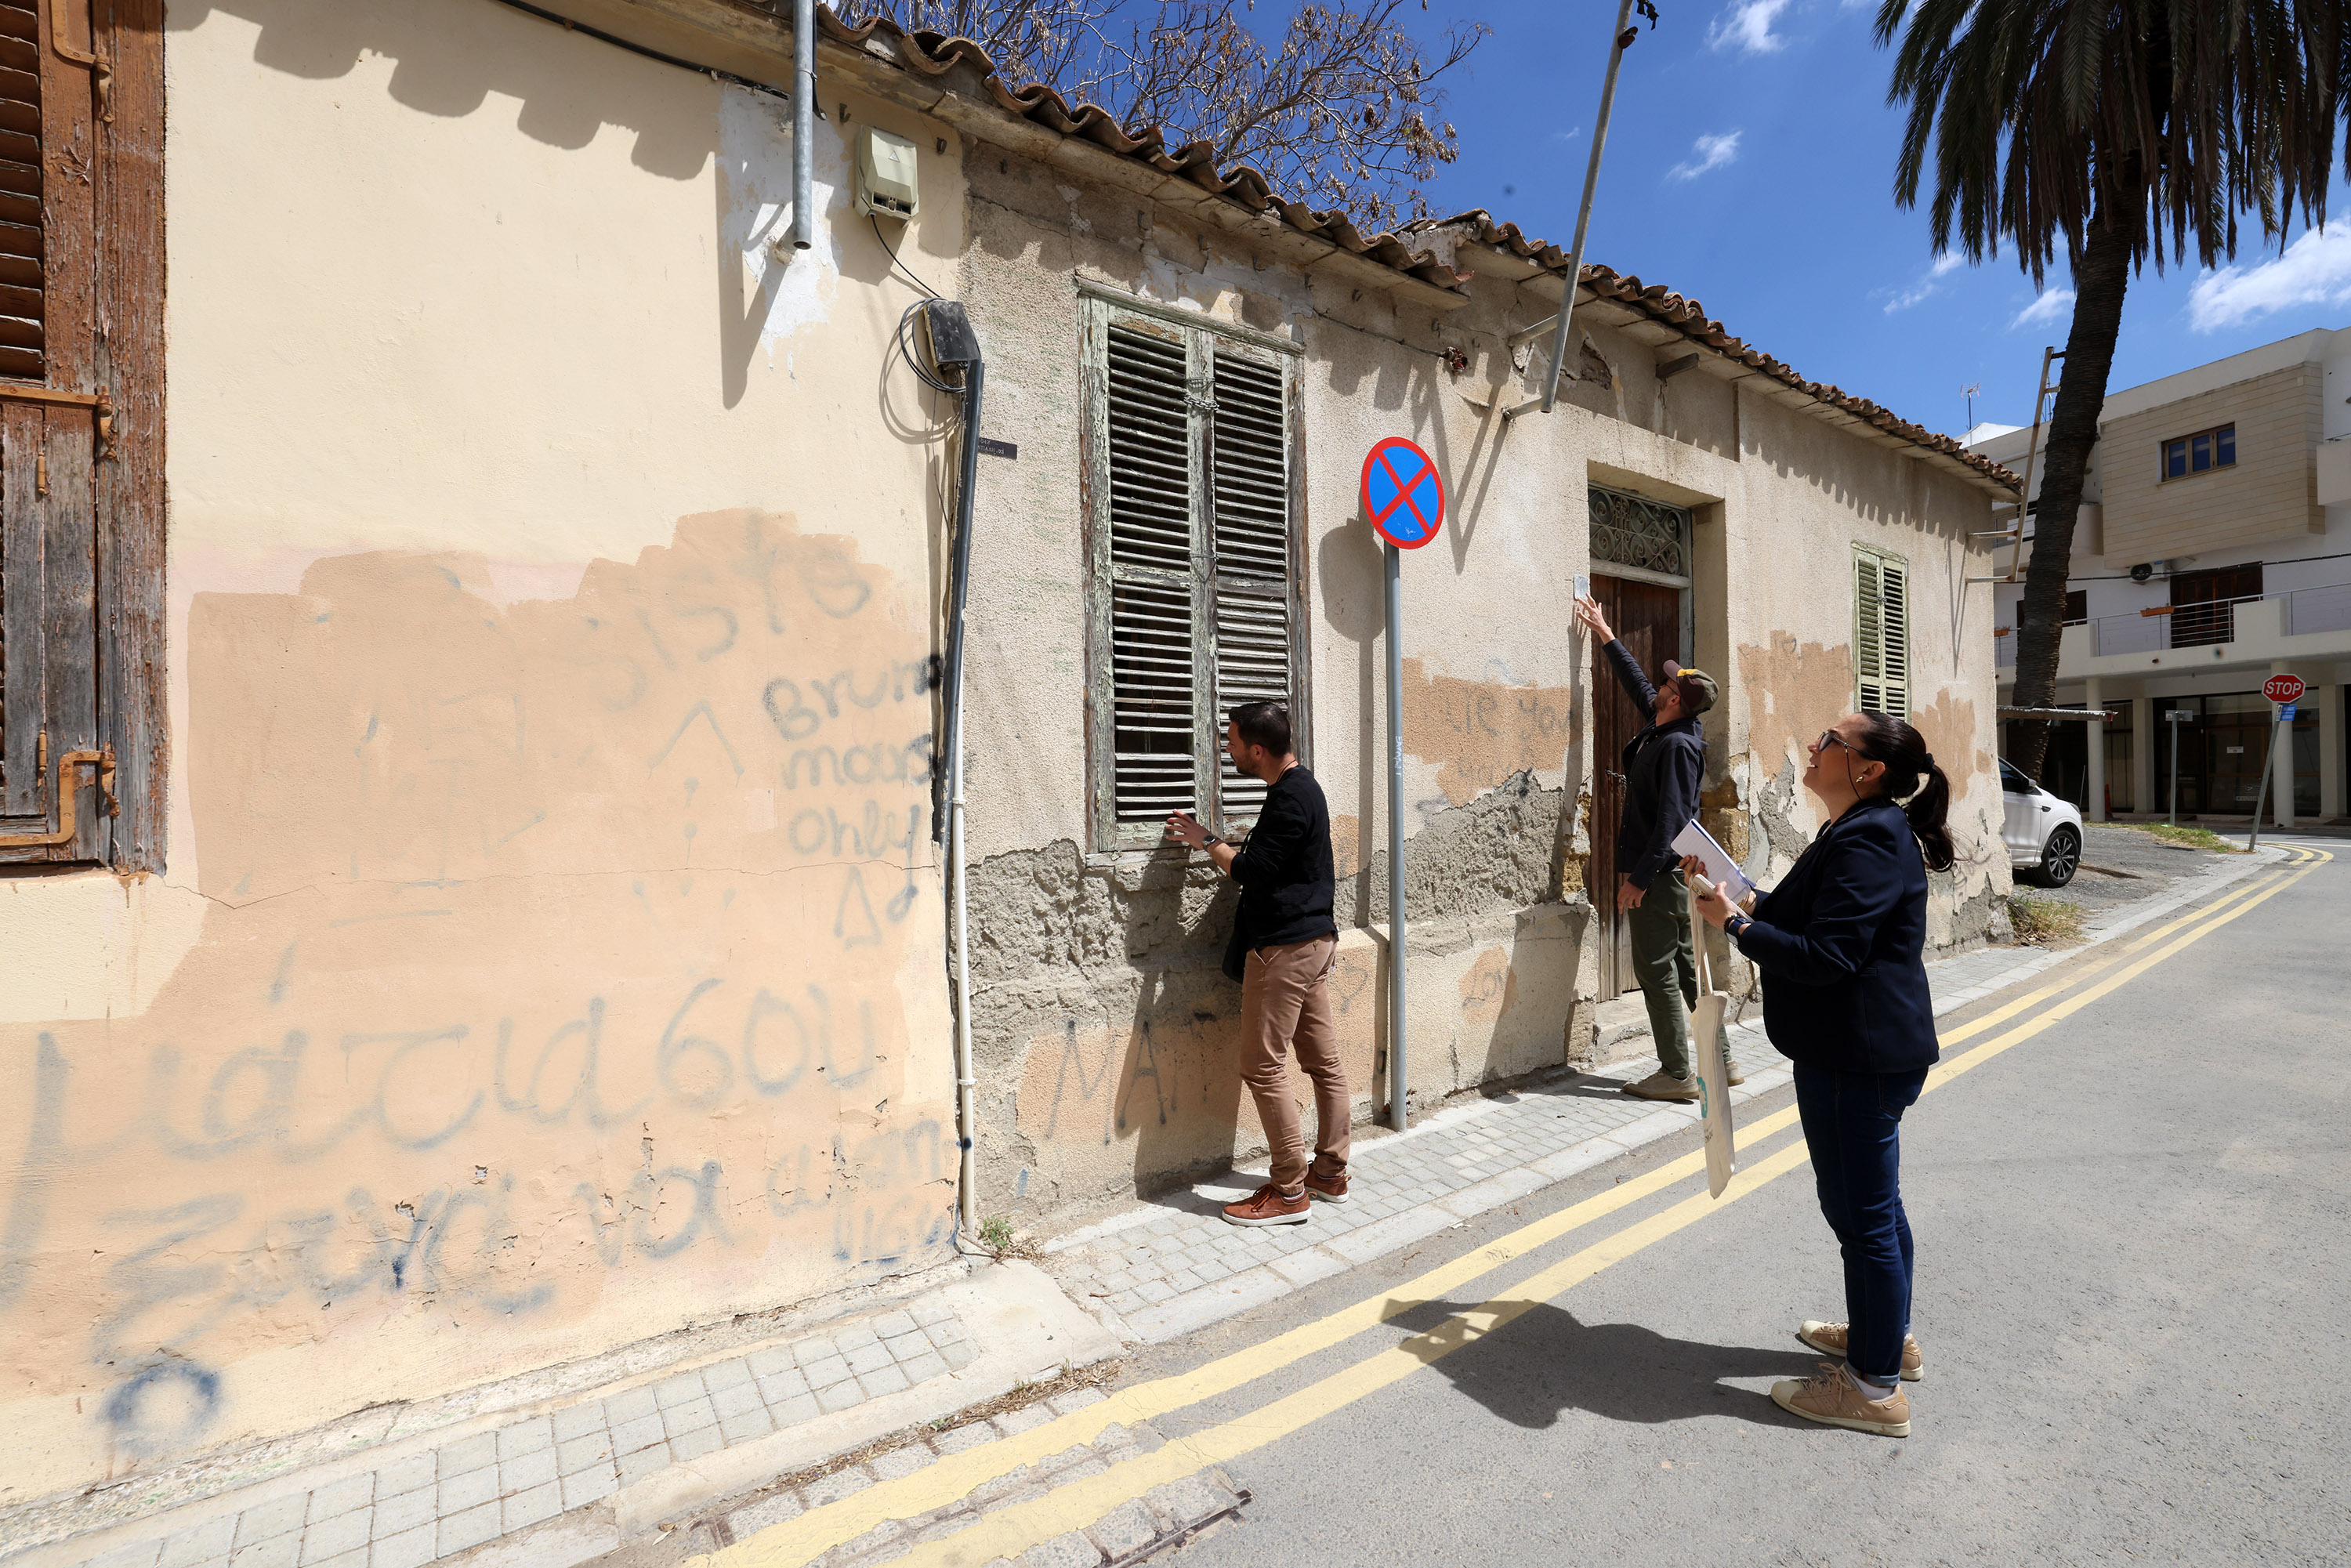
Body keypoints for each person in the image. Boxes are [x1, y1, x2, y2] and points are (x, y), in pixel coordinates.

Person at [1686, 711, 1952, 1438]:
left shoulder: (1870, 836)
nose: (1814, 745)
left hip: (1856, 1058)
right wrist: (1738, 897)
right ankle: (1885, 1336)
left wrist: (1734, 927)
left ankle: (1872, 1389)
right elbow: (1807, 918)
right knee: (1874, 1210)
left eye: (1831, 741)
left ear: (1865, 769)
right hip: (1860, 1052)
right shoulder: (1857, 826)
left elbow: (1828, 956)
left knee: (1862, 1217)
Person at [1162, 701, 1347, 1227]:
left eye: (1233, 742)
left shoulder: (1291, 798)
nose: (1228, 749)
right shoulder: (1300, 788)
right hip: (1312, 944)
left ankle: (1290, 1190)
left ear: (1257, 750)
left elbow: (1251, 870)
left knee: (1263, 1067)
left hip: (1285, 950)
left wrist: (1205, 838)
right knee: (1323, 1061)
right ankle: (1330, 1171)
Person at [1570, 592, 1732, 1102]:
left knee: (1658, 969)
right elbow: (1637, 683)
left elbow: (1673, 821)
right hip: (1663, 873)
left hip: (1659, 875)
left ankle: (1678, 1071)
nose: (1660, 684)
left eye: (1668, 684)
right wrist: (1604, 631)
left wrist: (1638, 878)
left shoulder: (1681, 745)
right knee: (1683, 966)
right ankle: (1720, 1060)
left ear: (1676, 699)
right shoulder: (1667, 723)